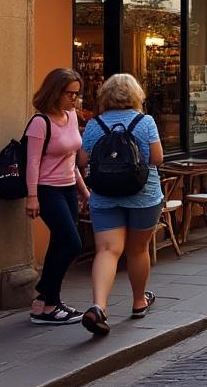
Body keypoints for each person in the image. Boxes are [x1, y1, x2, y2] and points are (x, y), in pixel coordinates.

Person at [77, 74, 163, 336]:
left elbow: (82, 162)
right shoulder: (145, 122)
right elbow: (157, 158)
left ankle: (99, 306)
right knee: (137, 250)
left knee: (107, 250)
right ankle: (139, 302)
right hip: (143, 196)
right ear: (136, 95)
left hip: (104, 196)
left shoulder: (94, 124)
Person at [25, 68, 88, 325]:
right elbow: (32, 163)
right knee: (72, 243)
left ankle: (44, 304)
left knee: (59, 244)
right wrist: (32, 197)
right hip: (47, 190)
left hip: (68, 188)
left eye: (77, 94)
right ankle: (49, 300)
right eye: (70, 94)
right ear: (55, 92)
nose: (74, 99)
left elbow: (70, 159)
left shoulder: (71, 116)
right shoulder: (40, 122)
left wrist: (83, 190)